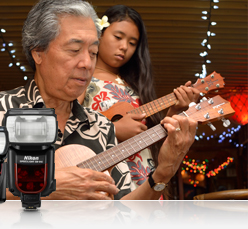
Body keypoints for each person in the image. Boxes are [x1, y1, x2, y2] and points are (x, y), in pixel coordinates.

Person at [0, 0, 197, 200]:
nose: (87, 63)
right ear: (38, 52)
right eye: (74, 50)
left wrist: (162, 172)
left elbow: (124, 211)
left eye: (93, 52)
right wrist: (44, 186)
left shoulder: (100, 126)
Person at [79, 5, 200, 195]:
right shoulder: (81, 78)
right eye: (118, 37)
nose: (124, 47)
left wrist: (174, 112)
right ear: (99, 33)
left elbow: (151, 136)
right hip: (104, 177)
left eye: (133, 43)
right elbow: (64, 129)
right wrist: (114, 130)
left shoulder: (134, 86)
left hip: (143, 175)